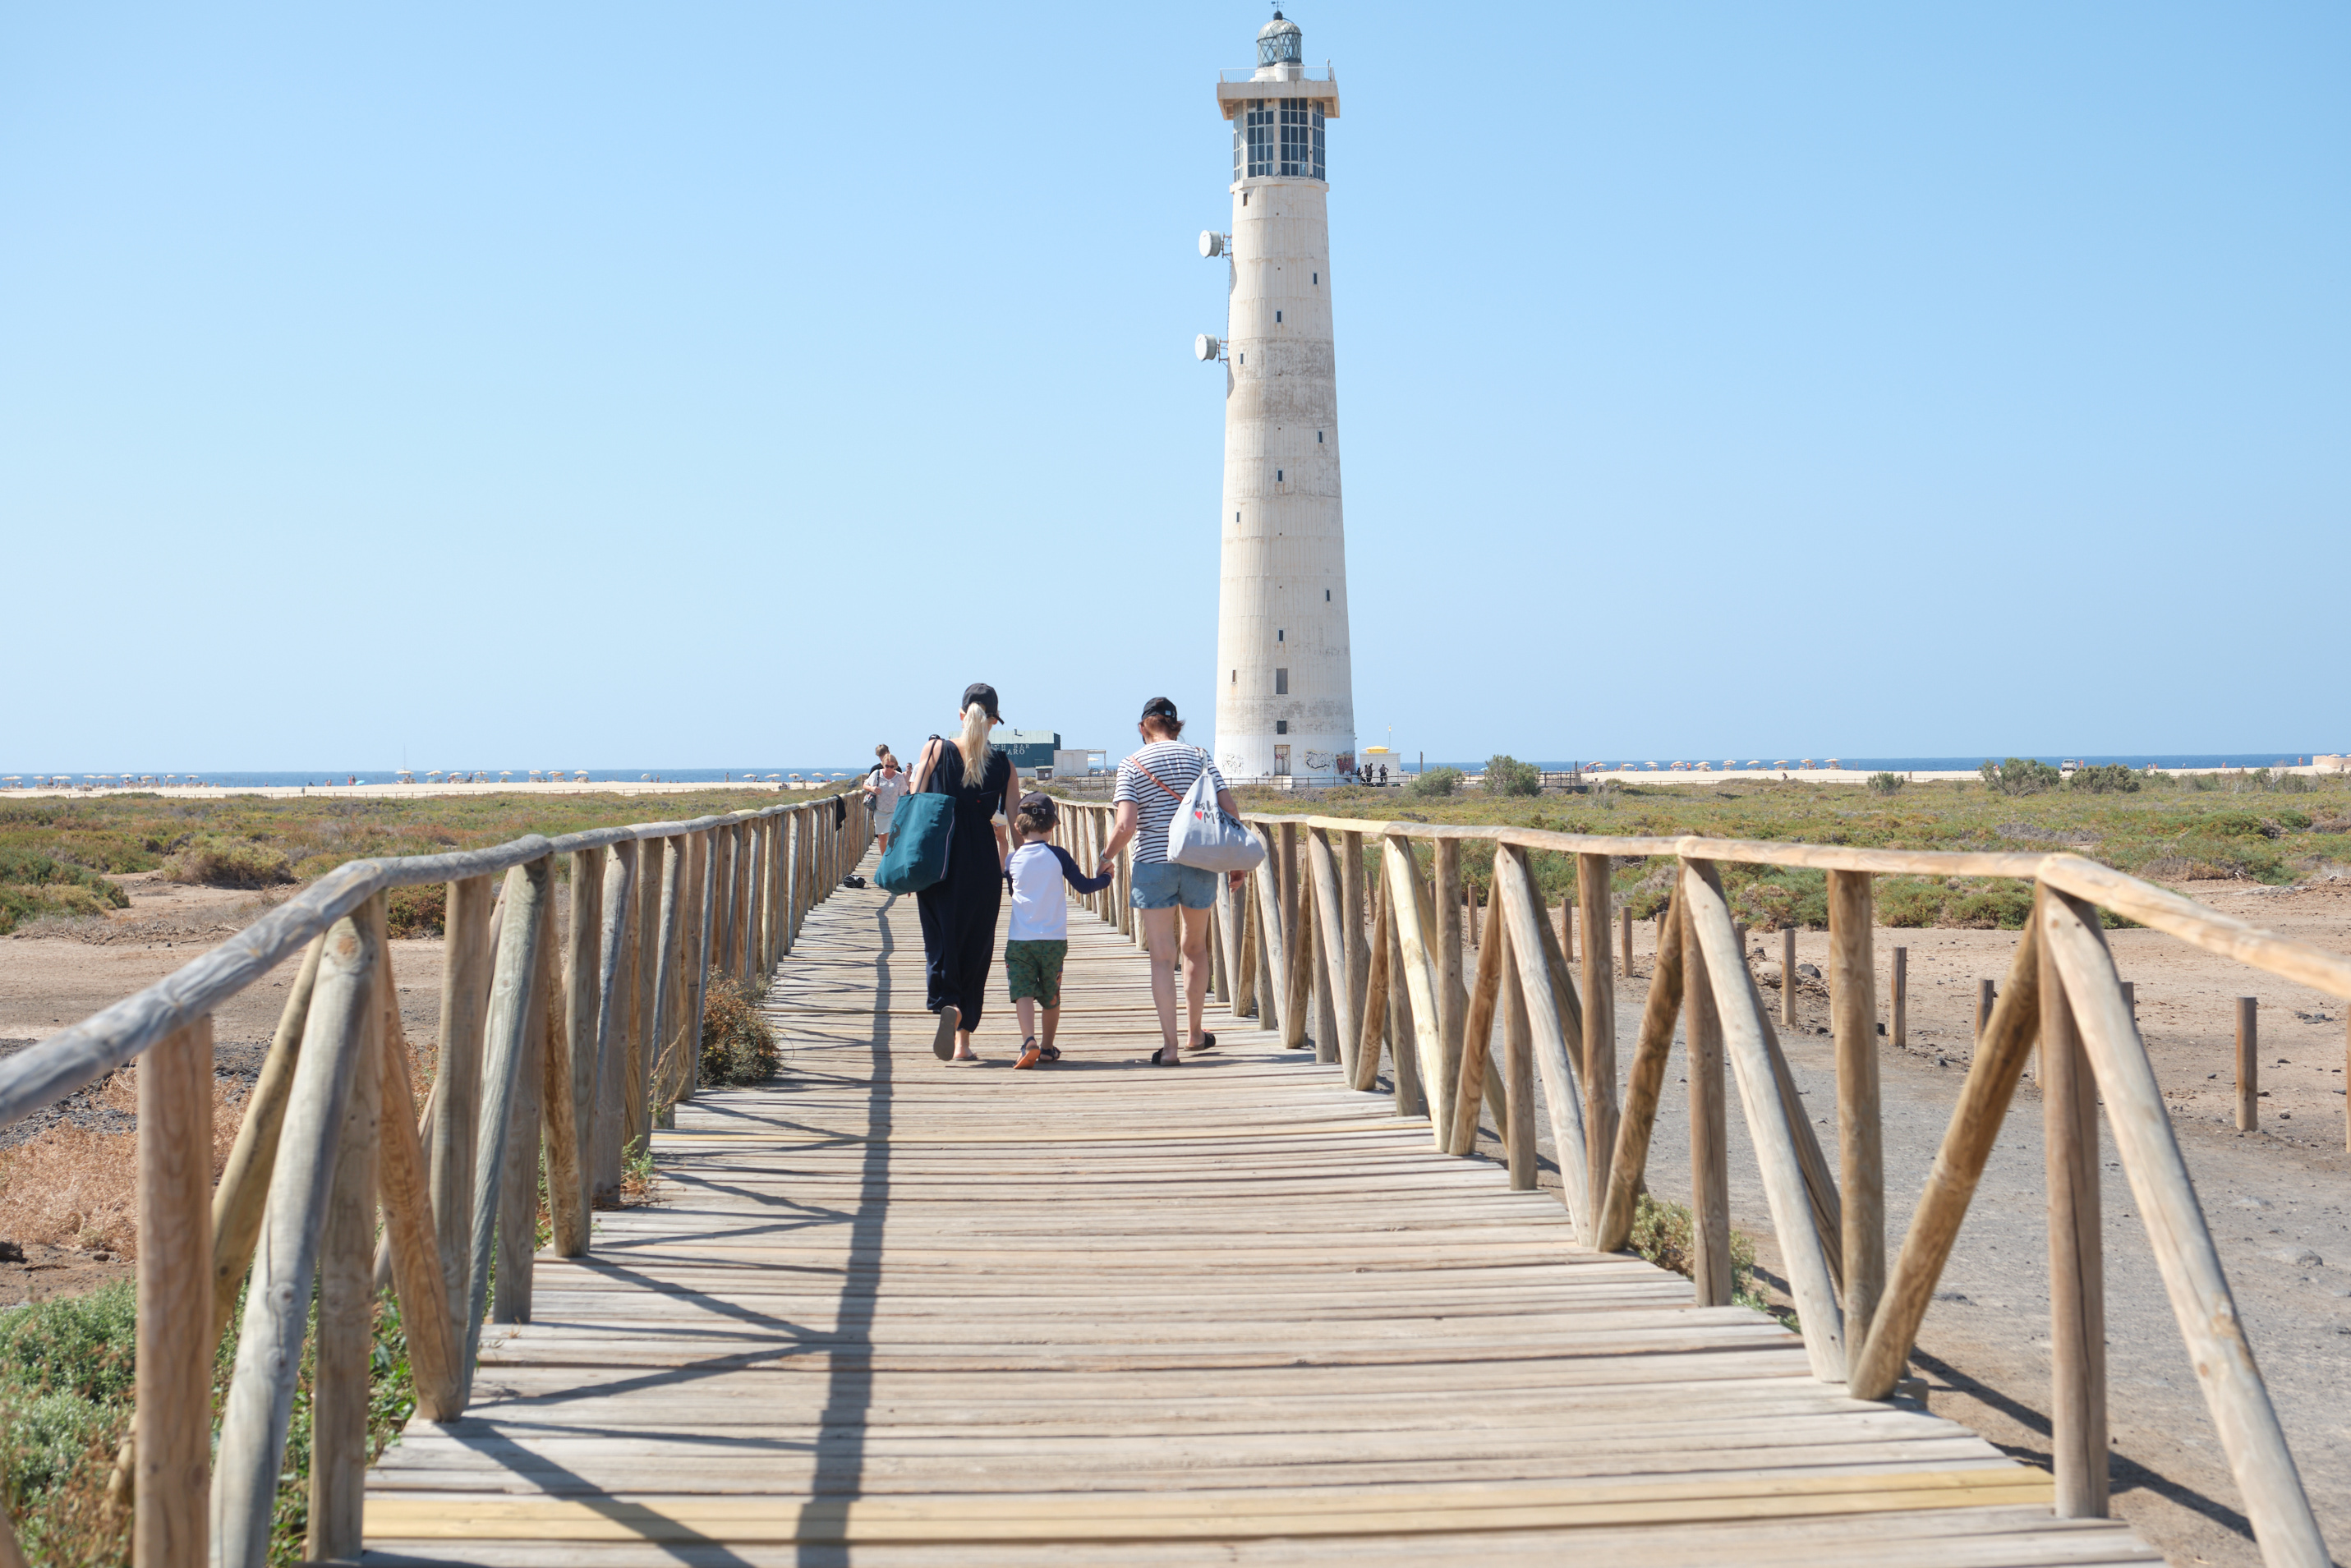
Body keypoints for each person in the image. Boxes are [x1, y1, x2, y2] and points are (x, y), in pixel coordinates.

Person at [1099, 697, 1241, 1066]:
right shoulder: (1200, 756)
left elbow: (1125, 825)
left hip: (1153, 863)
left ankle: (1171, 1047)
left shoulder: (1131, 764)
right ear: (1176, 726)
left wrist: (1106, 857)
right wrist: (1236, 860)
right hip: (1199, 861)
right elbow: (1229, 809)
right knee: (1195, 949)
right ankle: (1196, 1033)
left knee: (1162, 959)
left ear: (1144, 726)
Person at [909, 683, 1019, 1063]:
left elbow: (914, 804)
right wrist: (1025, 865)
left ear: (961, 715)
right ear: (992, 720)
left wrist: (909, 863)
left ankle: (947, 1000)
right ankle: (963, 1043)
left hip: (940, 861)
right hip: (983, 863)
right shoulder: (1004, 764)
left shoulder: (935, 750)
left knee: (941, 940)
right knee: (977, 947)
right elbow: (1016, 823)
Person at [1002, 792, 1113, 1069]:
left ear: (1018, 826)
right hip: (1053, 940)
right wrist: (1106, 878)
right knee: (1050, 995)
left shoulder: (1011, 861)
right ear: (1053, 826)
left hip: (1020, 939)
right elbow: (1085, 887)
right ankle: (1048, 1048)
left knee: (1023, 992)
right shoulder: (1059, 855)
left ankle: (1029, 1040)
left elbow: (1011, 891)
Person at [863, 748, 906, 858]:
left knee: (894, 837)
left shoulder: (899, 777)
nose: (889, 769)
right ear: (883, 764)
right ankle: (884, 860)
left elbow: (903, 794)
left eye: (892, 766)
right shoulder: (876, 774)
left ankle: (892, 858)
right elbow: (865, 785)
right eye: (887, 766)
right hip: (880, 810)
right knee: (882, 838)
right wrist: (872, 789)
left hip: (895, 811)